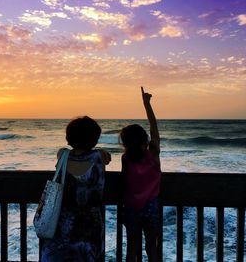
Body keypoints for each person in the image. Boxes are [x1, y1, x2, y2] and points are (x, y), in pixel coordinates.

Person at [40, 116, 111, 262]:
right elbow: (106, 157)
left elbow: (61, 151)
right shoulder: (99, 157)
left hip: (62, 223)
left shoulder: (63, 156)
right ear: (93, 139)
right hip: (90, 225)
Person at [120, 87, 161, 262]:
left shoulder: (126, 158)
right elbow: (154, 127)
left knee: (132, 248)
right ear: (145, 138)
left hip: (131, 208)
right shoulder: (153, 153)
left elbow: (124, 184)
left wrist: (122, 207)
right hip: (152, 207)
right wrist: (147, 104)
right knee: (152, 247)